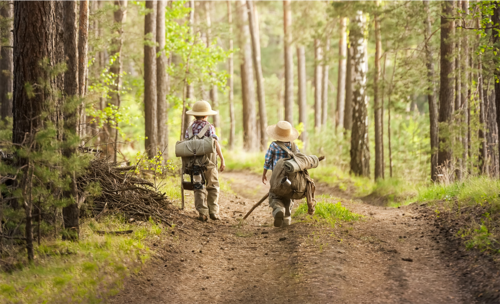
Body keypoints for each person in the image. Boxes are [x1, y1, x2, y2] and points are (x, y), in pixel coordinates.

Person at [185, 100, 225, 221]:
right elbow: (215, 143)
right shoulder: (209, 127)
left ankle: (202, 213)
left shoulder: (190, 129)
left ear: (194, 115)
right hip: (209, 162)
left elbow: (187, 145)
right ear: (207, 115)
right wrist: (222, 158)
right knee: (213, 185)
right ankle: (213, 211)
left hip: (194, 163)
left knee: (198, 186)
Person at [261, 121, 299, 227]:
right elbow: (299, 160)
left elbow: (267, 160)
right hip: (291, 178)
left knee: (274, 195)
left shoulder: (273, 145)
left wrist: (264, 173)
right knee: (288, 196)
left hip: (277, 177)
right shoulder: (294, 146)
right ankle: (287, 217)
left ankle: (278, 208)